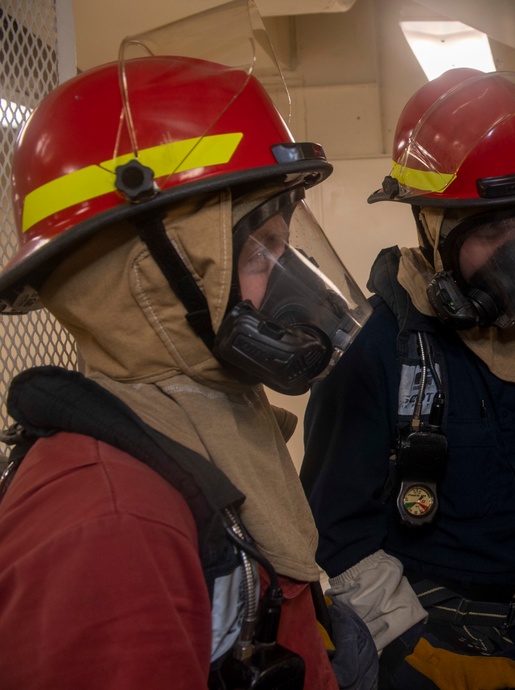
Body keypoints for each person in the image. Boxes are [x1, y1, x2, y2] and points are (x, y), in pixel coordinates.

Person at [0, 18, 377, 690]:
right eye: (258, 249)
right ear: (147, 274)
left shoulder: (195, 438)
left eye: (283, 245)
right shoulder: (111, 523)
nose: (286, 284)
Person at [300, 68, 515, 690]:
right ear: (433, 229)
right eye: (492, 229)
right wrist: (411, 650)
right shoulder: (372, 352)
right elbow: (337, 529)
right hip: (439, 642)